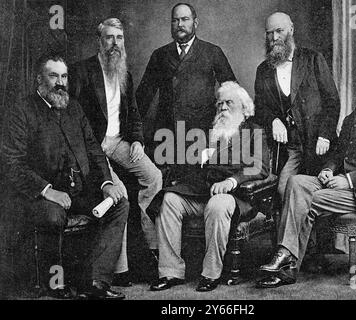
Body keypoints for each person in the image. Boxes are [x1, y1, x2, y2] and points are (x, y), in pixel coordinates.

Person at [256, 62, 356, 288]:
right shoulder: (350, 119)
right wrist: (328, 169)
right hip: (340, 185)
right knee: (296, 182)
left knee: (309, 200)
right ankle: (286, 257)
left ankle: (286, 264)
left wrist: (348, 180)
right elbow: (337, 153)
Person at [2, 54, 129, 299]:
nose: (60, 82)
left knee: (119, 204)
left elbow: (94, 149)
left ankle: (95, 282)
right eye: (53, 76)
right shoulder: (22, 110)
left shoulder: (74, 107)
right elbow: (11, 162)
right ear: (39, 79)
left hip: (77, 191)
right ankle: (56, 284)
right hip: (40, 196)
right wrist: (48, 191)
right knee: (54, 215)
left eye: (64, 76)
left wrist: (106, 183)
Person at [150, 82, 269, 292]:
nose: (222, 108)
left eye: (228, 103)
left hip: (234, 196)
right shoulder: (210, 132)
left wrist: (232, 181)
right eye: (220, 104)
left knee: (217, 205)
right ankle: (171, 271)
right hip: (202, 192)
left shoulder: (254, 131)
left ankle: (210, 273)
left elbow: (260, 167)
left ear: (243, 107)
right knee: (169, 200)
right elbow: (189, 167)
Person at [70, 18, 163, 283]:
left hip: (119, 141)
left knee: (153, 177)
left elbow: (133, 113)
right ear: (100, 41)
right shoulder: (82, 71)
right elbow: (73, 117)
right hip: (93, 146)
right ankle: (120, 269)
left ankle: (151, 246)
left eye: (119, 38)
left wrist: (137, 140)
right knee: (119, 194)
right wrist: (88, 148)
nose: (115, 44)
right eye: (109, 38)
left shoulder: (125, 73)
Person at [135, 3, 236, 179]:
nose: (180, 24)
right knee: (166, 188)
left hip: (200, 135)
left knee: (196, 187)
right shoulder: (160, 55)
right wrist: (134, 135)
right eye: (175, 20)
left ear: (195, 23)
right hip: (166, 136)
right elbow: (141, 100)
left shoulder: (212, 52)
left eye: (185, 19)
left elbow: (232, 92)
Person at [253, 12, 340, 202]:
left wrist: (325, 135)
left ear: (291, 30)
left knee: (317, 198)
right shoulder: (263, 70)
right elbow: (259, 107)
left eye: (279, 31)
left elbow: (332, 101)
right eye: (269, 33)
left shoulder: (313, 59)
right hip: (289, 148)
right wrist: (273, 120)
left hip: (318, 144)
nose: (274, 38)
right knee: (284, 191)